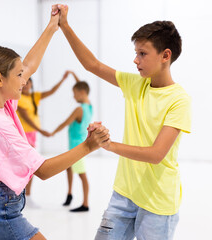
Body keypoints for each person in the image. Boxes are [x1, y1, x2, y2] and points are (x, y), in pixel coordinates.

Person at [0, 6, 110, 240]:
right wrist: (88, 146)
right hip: (1, 213)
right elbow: (43, 170)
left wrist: (52, 27)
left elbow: (29, 65)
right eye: (18, 76)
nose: (24, 81)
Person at [54, 4, 191, 240]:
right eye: (136, 52)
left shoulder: (180, 100)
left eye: (142, 53)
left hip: (158, 204)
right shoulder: (135, 83)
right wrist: (64, 26)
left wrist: (107, 144)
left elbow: (156, 154)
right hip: (123, 195)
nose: (135, 60)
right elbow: (92, 65)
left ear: (165, 56)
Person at [16, 73, 68, 207]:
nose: (26, 85)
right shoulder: (18, 98)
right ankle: (21, 196)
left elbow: (51, 91)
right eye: (25, 83)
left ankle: (26, 196)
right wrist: (41, 130)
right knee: (26, 166)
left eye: (29, 83)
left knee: (29, 166)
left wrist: (62, 79)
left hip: (32, 135)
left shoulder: (34, 97)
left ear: (32, 84)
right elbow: (25, 117)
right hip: (22, 135)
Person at [51, 70, 92, 212]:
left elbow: (65, 123)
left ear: (81, 92)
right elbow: (82, 87)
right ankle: (69, 194)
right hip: (76, 144)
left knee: (82, 174)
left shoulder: (78, 110)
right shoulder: (89, 105)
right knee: (68, 168)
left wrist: (52, 132)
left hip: (76, 147)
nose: (73, 96)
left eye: (74, 93)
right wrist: (73, 75)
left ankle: (85, 204)